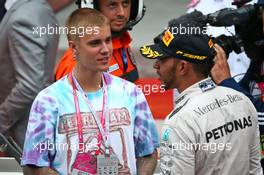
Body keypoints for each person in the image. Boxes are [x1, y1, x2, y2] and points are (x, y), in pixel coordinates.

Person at [21, 8, 159, 175]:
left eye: (108, 40)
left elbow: (148, 153)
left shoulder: (131, 93)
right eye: (95, 43)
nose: (106, 50)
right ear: (74, 48)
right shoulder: (49, 100)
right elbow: (34, 165)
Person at [140, 14, 263, 174]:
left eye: (162, 58)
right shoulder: (243, 100)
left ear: (182, 67)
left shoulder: (179, 122)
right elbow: (255, 170)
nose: (156, 65)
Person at [0, 0, 59, 148]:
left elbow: (30, 84)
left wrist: (1, 119)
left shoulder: (24, 17)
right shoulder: (41, 9)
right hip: (37, 126)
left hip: (22, 132)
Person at [55, 0, 144, 82]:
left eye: (125, 3)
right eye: (112, 5)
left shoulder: (121, 43)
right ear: (93, 8)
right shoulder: (78, 64)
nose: (121, 13)